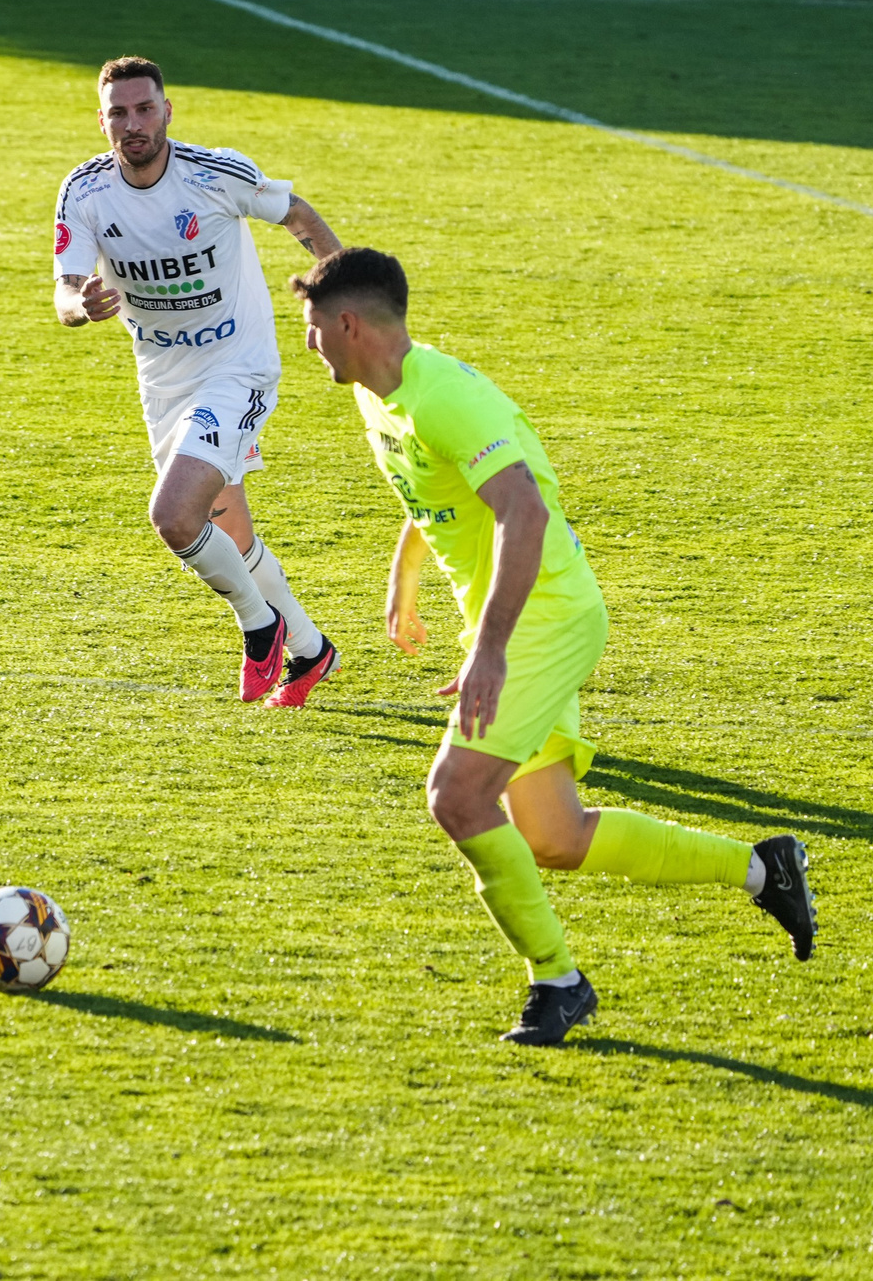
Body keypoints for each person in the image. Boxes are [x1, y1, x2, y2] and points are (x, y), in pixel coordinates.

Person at [288, 248, 817, 1047]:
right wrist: (405, 580)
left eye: (314, 327)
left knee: (457, 796)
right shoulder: (381, 392)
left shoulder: (444, 397)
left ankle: (558, 982)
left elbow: (524, 512)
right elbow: (435, 489)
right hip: (517, 616)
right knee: (553, 835)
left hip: (546, 617)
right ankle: (764, 868)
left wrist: (491, 650)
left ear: (350, 324)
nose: (308, 342)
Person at [53, 57, 345, 707]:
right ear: (101, 120)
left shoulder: (215, 173)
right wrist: (80, 307)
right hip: (163, 382)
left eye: (144, 109)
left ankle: (260, 627)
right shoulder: (85, 190)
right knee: (228, 533)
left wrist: (345, 298)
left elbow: (298, 216)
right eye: (119, 113)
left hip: (238, 368)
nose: (133, 124)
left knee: (174, 515)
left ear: (167, 110)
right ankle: (310, 650)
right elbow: (64, 291)